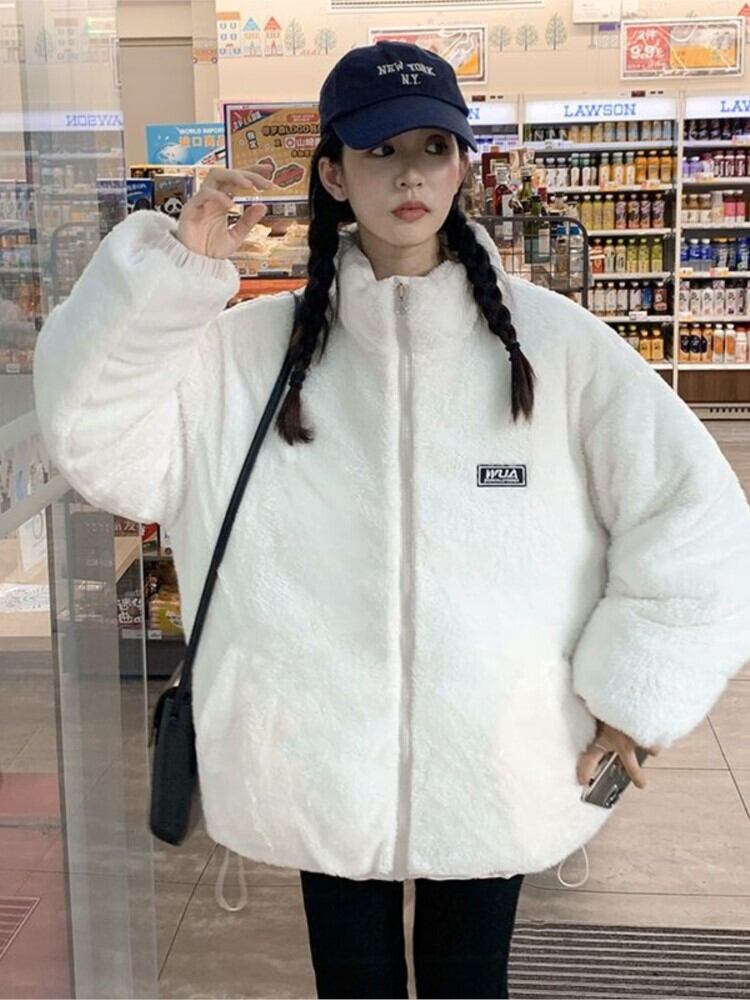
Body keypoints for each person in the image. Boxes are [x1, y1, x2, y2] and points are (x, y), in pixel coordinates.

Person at [32, 40, 750, 1000]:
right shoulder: (246, 353)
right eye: (379, 150)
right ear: (333, 173)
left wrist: (636, 696)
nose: (410, 174)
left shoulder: (558, 348)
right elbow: (99, 440)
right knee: (352, 983)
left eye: (433, 147)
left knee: (470, 982)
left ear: (462, 165)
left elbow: (694, 518)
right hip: (315, 750)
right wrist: (172, 279)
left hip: (503, 750)